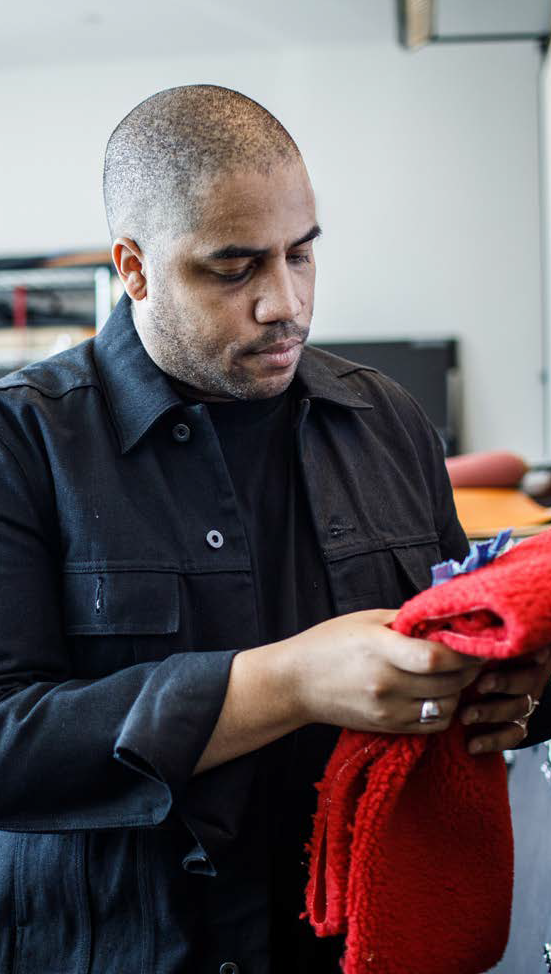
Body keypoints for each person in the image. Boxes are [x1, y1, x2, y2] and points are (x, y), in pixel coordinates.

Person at [0, 85, 549, 974]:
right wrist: (283, 684)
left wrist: (508, 686)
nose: (283, 303)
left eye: (301, 255)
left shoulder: (385, 419)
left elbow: (459, 637)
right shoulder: (23, 442)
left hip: (351, 947)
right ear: (134, 267)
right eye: (234, 268)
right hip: (117, 948)